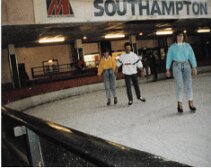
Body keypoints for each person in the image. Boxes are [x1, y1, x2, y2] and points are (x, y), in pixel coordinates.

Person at [166, 30, 197, 113]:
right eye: (178, 36)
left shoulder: (187, 46)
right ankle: (179, 105)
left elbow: (192, 56)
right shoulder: (172, 47)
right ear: (175, 37)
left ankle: (191, 103)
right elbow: (169, 58)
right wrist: (167, 69)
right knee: (180, 85)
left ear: (184, 37)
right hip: (176, 66)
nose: (180, 37)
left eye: (182, 36)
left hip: (187, 65)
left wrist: (194, 67)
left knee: (188, 85)